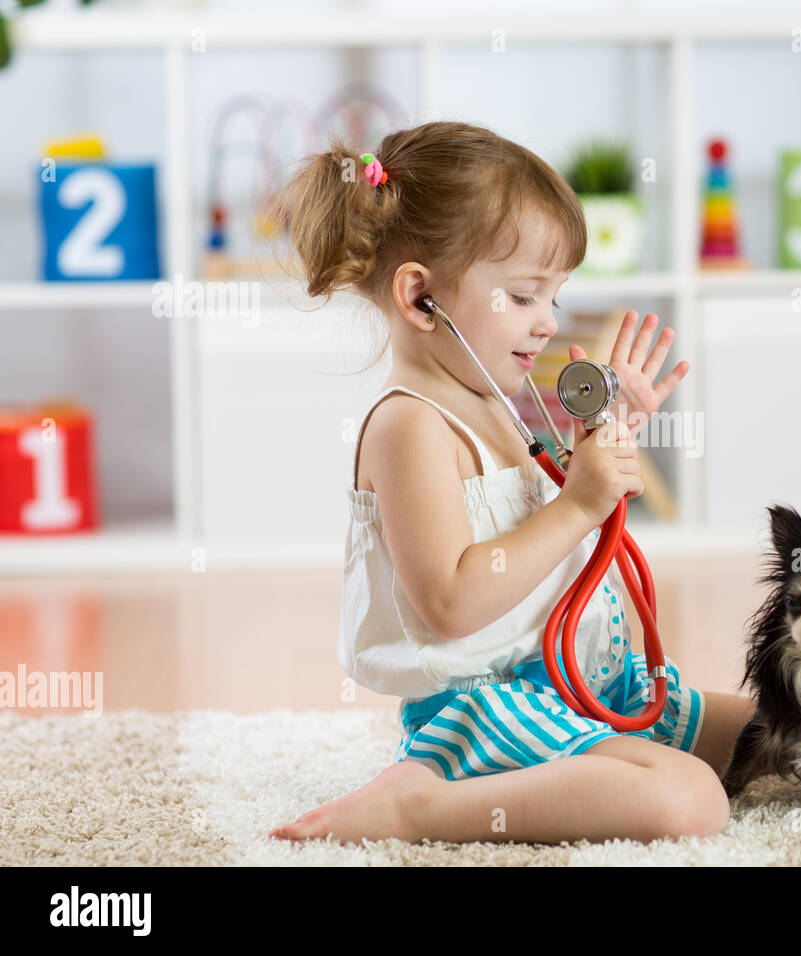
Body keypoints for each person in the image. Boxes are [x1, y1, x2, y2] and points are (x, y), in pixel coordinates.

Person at [266, 121, 757, 845]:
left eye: (554, 297)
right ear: (420, 299)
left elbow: (540, 531)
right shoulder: (410, 428)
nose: (548, 323)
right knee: (691, 802)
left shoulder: (494, 401)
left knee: (789, 732)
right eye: (525, 296)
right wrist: (582, 501)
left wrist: (605, 437)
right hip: (489, 705)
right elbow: (452, 603)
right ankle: (416, 805)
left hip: (581, 679)